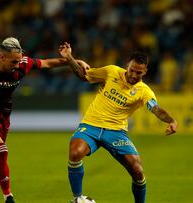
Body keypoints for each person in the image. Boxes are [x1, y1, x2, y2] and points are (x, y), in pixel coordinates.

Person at [0, 37, 86, 203]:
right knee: (1, 149)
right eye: (14, 62)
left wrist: (73, 60)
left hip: (3, 117)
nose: (18, 65)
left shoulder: (22, 63)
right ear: (2, 57)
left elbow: (47, 63)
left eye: (19, 61)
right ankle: (8, 197)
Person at [59, 42, 178, 203]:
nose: (134, 75)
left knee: (137, 170)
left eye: (139, 73)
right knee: (74, 152)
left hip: (116, 132)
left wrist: (171, 120)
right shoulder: (111, 71)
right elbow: (83, 75)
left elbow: (156, 108)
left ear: (145, 71)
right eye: (132, 70)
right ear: (127, 66)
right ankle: (78, 199)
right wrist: (69, 58)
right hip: (91, 125)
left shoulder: (144, 91)